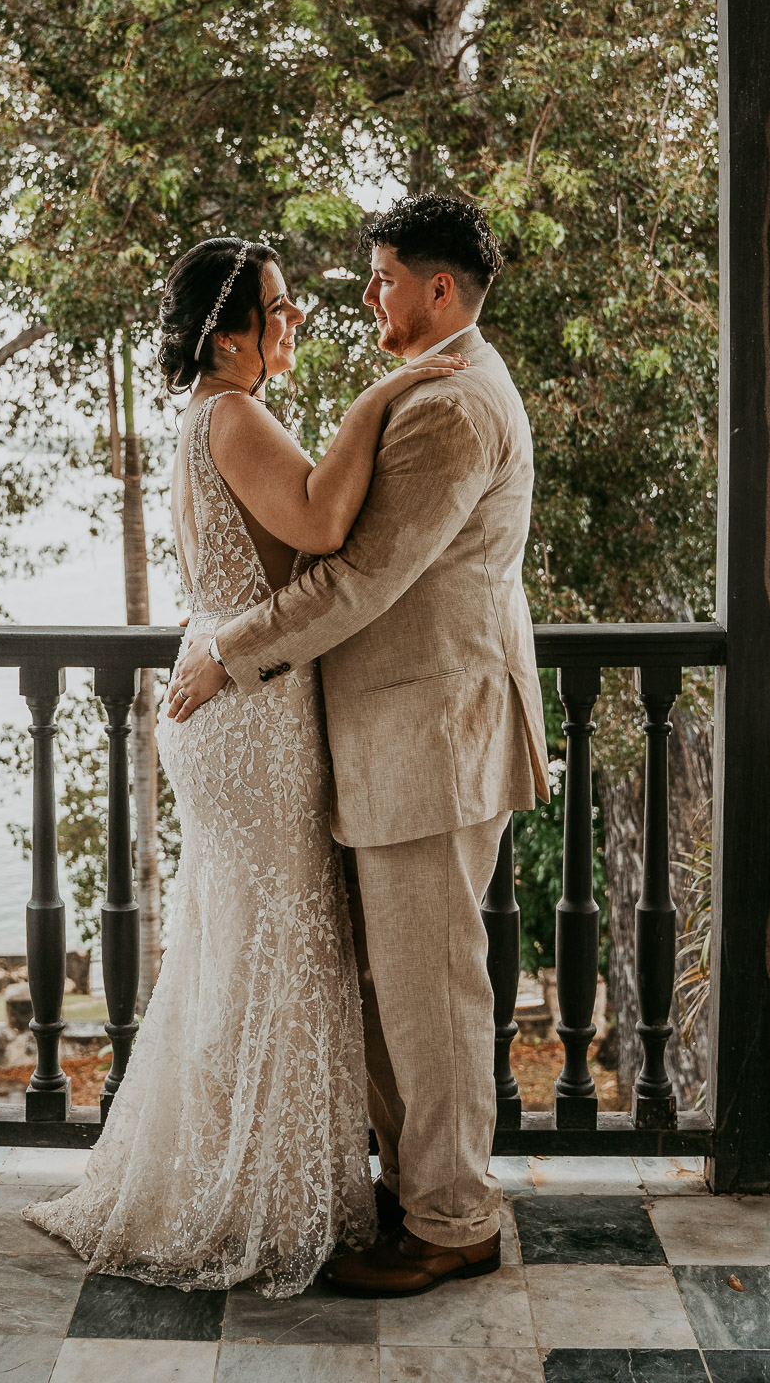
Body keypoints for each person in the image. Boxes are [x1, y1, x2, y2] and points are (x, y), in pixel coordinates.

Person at [23, 234, 466, 1297]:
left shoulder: (206, 419)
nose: (295, 319)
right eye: (277, 308)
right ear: (228, 335)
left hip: (228, 694)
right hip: (249, 717)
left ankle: (238, 1175)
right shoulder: (232, 412)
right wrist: (384, 397)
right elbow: (317, 517)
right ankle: (255, 1197)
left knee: (248, 943)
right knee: (280, 944)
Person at [169, 192, 550, 1299]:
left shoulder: (452, 408)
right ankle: (414, 1192)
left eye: (382, 276)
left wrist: (232, 652)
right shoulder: (432, 389)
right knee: (397, 989)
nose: (366, 294)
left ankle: (453, 1218)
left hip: (428, 740)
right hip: (393, 739)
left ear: (440, 289)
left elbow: (358, 578)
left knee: (431, 995)